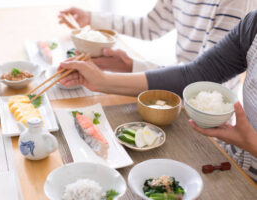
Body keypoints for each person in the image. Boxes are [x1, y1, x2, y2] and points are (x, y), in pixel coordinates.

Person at [58, 10, 257, 182]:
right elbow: (195, 75)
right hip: (232, 156)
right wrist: (102, 82)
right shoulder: (253, 24)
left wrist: (251, 143)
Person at [59, 1, 255, 91]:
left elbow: (204, 79)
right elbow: (151, 26)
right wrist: (91, 18)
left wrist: (128, 69)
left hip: (207, 106)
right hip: (175, 84)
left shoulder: (236, 2)